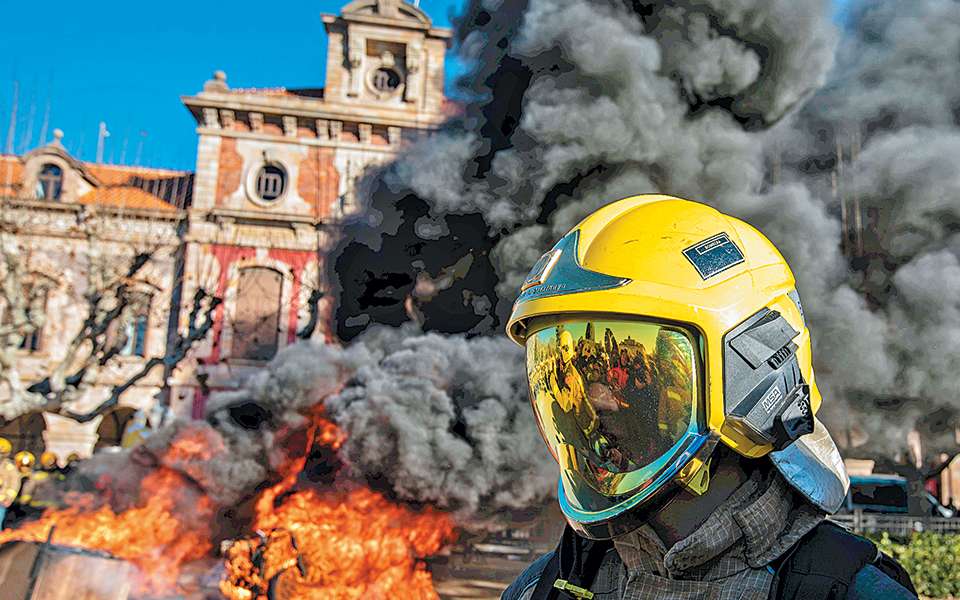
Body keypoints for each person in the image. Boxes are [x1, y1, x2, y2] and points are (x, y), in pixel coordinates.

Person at [503, 195, 916, 600]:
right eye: (564, 369)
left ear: (750, 373)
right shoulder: (543, 588)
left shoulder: (846, 591)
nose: (598, 401)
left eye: (632, 378)